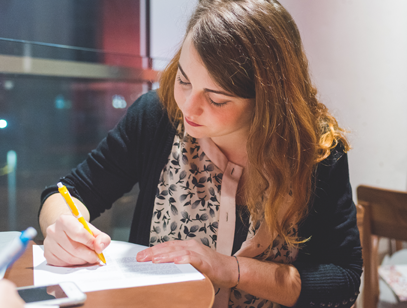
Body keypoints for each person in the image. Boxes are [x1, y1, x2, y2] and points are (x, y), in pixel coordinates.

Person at [39, 0, 362, 307]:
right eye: (184, 80)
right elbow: (68, 192)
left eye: (217, 99)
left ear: (267, 102)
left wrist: (231, 269)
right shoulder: (157, 117)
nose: (188, 107)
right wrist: (62, 225)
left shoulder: (315, 151)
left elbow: (343, 280)